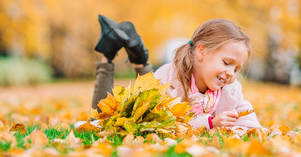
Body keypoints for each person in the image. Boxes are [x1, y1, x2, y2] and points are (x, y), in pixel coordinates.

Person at [89, 15, 261, 130]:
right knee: (100, 120)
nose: (231, 73)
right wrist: (209, 123)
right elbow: (164, 123)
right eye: (226, 63)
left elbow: (245, 114)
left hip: (151, 94)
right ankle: (108, 53)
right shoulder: (169, 79)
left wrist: (256, 131)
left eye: (236, 69)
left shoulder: (230, 88)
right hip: (144, 108)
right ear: (201, 51)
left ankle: (139, 55)